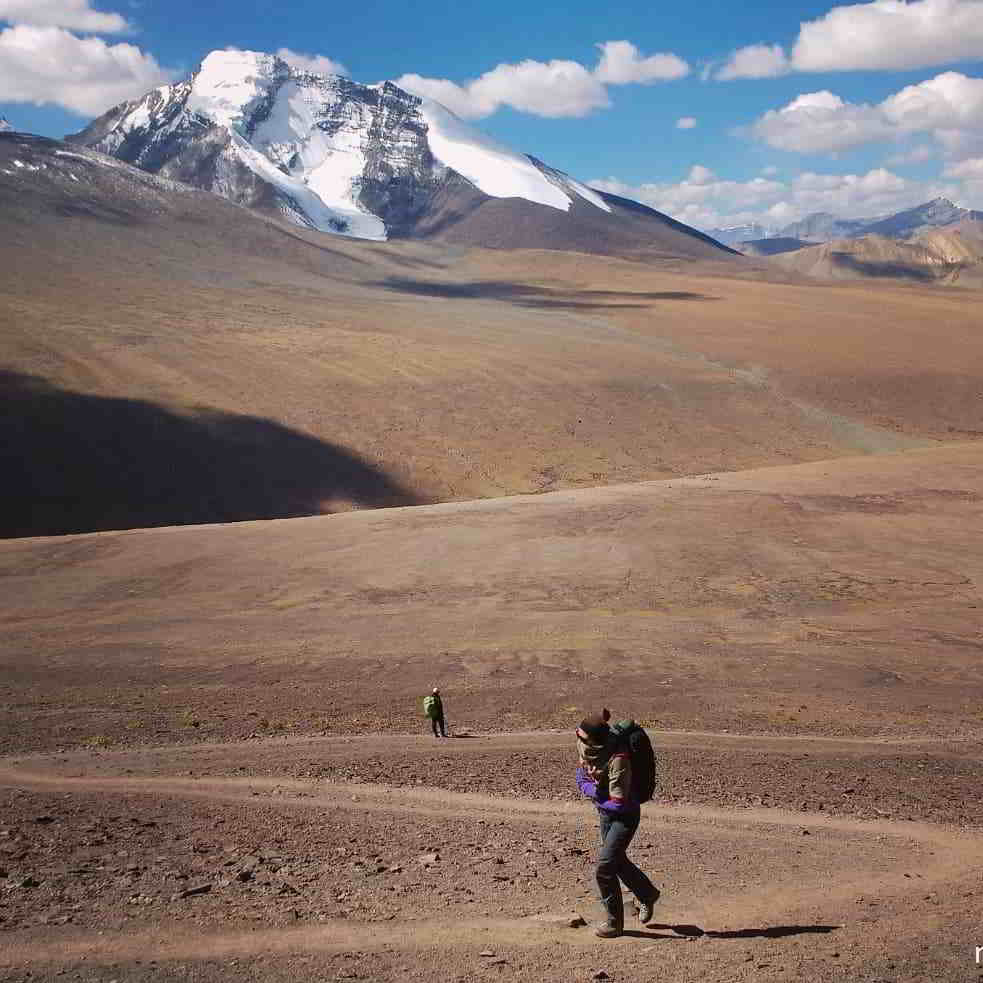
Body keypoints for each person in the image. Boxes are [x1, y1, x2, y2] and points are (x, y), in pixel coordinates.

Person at [575, 711, 660, 938]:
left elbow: (619, 803)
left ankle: (614, 923)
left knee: (605, 868)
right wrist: (592, 790)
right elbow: (580, 775)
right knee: (616, 862)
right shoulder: (587, 747)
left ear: (595, 739)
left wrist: (593, 792)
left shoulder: (618, 758)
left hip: (625, 816)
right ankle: (647, 894)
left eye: (582, 736)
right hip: (605, 813)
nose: (578, 739)